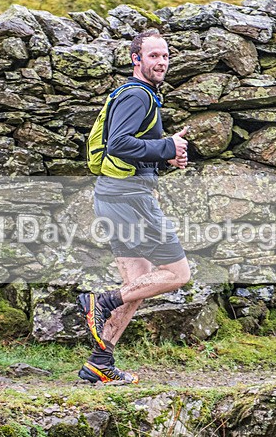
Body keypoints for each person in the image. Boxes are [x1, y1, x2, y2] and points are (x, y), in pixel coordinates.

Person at [77, 29, 191, 385]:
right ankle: (103, 301)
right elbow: (118, 145)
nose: (161, 62)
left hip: (116, 195)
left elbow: (132, 148)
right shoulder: (136, 95)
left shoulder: (140, 95)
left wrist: (163, 157)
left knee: (139, 284)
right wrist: (166, 147)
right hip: (129, 198)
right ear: (136, 59)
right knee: (177, 274)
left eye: (165, 56)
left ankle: (99, 362)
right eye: (153, 56)